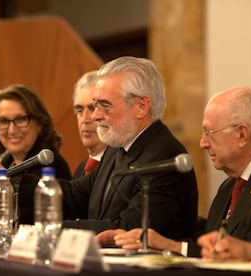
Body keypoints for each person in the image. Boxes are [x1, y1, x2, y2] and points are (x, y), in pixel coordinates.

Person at [107, 86, 251, 257]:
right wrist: (160, 241)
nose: (202, 143)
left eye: (209, 133)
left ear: (242, 135)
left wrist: (172, 246)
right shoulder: (229, 186)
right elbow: (211, 241)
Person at [49, 56, 198, 240]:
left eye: (104, 106)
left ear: (141, 107)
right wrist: (14, 187)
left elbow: (127, 229)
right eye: (96, 105)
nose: (95, 116)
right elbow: (75, 196)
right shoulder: (117, 147)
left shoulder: (164, 156)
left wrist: (51, 227)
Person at [0, 84, 72, 225]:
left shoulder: (49, 163)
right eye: (3, 121)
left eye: (20, 119)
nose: (11, 130)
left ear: (40, 123)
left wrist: (3, 177)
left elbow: (27, 221)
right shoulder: (7, 160)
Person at [72, 70, 107, 178]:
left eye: (92, 108)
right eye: (79, 110)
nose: (85, 119)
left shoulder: (119, 167)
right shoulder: (80, 170)